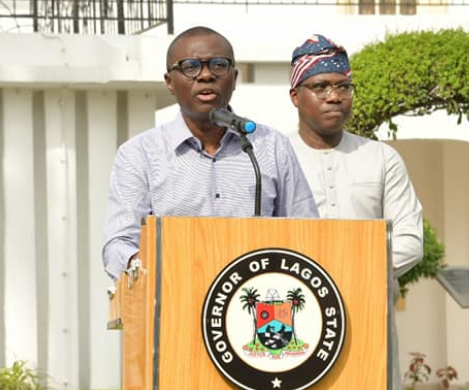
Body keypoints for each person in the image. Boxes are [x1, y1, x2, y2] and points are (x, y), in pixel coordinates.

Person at [102, 26, 319, 280]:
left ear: (234, 78)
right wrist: (146, 269)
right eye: (190, 67)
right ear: (170, 82)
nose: (205, 75)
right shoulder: (140, 154)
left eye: (218, 65)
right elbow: (118, 243)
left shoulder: (270, 145)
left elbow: (308, 232)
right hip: (175, 302)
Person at [286, 34, 424, 390]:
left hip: (367, 313)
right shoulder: (275, 158)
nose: (334, 96)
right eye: (320, 86)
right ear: (295, 96)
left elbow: (410, 240)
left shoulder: (381, 158)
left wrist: (351, 271)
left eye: (343, 86)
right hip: (294, 317)